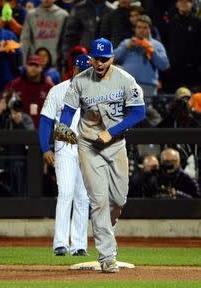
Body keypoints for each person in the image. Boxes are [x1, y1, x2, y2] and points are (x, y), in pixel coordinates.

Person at [58, 38, 146, 272]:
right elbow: (68, 110)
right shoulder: (80, 80)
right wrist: (64, 126)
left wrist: (112, 131)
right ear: (90, 58)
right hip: (88, 145)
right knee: (98, 200)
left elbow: (139, 112)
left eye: (104, 58)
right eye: (95, 58)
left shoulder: (125, 80)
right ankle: (107, 256)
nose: (99, 62)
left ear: (112, 58)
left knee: (118, 200)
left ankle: (107, 225)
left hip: (115, 144)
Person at [39, 54, 92, 256]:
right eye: (80, 69)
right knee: (66, 193)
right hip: (65, 147)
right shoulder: (58, 90)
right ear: (73, 70)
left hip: (88, 148)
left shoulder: (96, 91)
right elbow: (45, 121)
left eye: (87, 70)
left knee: (82, 196)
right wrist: (45, 148)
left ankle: (79, 245)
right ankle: (60, 243)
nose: (84, 73)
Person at [114, 15, 169, 100]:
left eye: (145, 27)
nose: (141, 30)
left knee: (146, 112)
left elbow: (164, 65)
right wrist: (125, 48)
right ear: (135, 29)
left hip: (147, 87)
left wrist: (151, 50)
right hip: (126, 85)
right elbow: (112, 59)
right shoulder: (127, 43)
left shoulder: (156, 45)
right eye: (139, 27)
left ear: (150, 29)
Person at [5, 54, 54, 128]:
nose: (33, 68)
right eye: (30, 65)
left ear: (41, 68)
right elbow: (4, 100)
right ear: (25, 66)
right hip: (20, 129)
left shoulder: (49, 86)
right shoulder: (15, 84)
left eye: (36, 65)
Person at [20, 0, 68, 66]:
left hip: (56, 65)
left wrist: (64, 64)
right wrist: (24, 63)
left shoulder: (63, 15)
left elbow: (66, 42)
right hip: (35, 64)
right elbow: (25, 40)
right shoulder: (31, 15)